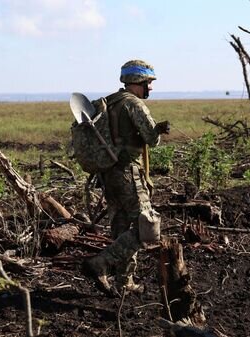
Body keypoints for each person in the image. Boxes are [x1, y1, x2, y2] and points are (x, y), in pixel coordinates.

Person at [84, 59, 170, 296]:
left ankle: (124, 283)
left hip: (109, 173)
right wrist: (158, 131)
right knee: (147, 227)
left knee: (121, 227)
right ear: (137, 82)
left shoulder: (109, 102)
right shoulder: (134, 104)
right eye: (148, 83)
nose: (150, 88)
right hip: (128, 173)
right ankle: (102, 262)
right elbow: (151, 140)